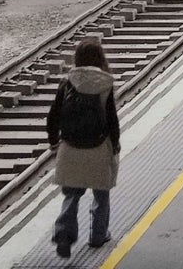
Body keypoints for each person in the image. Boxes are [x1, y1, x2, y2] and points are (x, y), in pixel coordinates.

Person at [46, 37, 121, 257]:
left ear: (77, 58)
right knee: (101, 193)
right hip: (98, 146)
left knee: (71, 194)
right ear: (101, 58)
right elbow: (111, 120)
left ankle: (64, 234)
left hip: (71, 147)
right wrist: (114, 145)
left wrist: (53, 143)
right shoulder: (106, 83)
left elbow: (53, 117)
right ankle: (98, 235)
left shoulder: (67, 81)